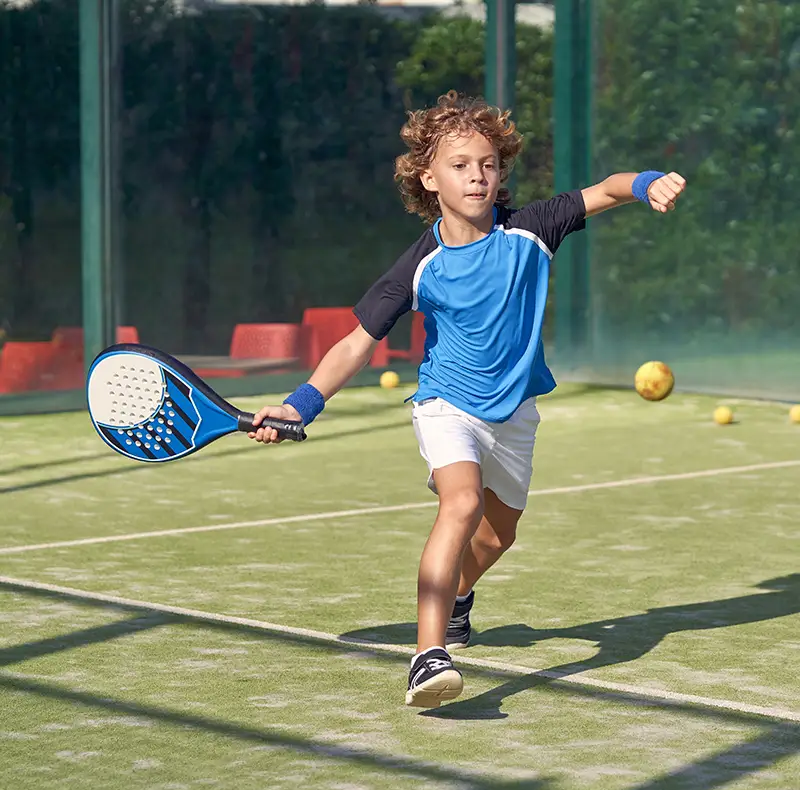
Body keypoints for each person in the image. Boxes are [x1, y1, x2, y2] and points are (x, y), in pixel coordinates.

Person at [249, 90, 686, 708]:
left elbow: (609, 189)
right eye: (459, 165)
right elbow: (355, 343)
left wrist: (648, 183)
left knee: (496, 537)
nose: (476, 175)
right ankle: (428, 657)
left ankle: (456, 598)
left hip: (516, 414)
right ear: (429, 178)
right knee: (458, 504)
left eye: (487, 163)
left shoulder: (532, 230)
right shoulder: (418, 266)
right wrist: (301, 404)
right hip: (447, 404)